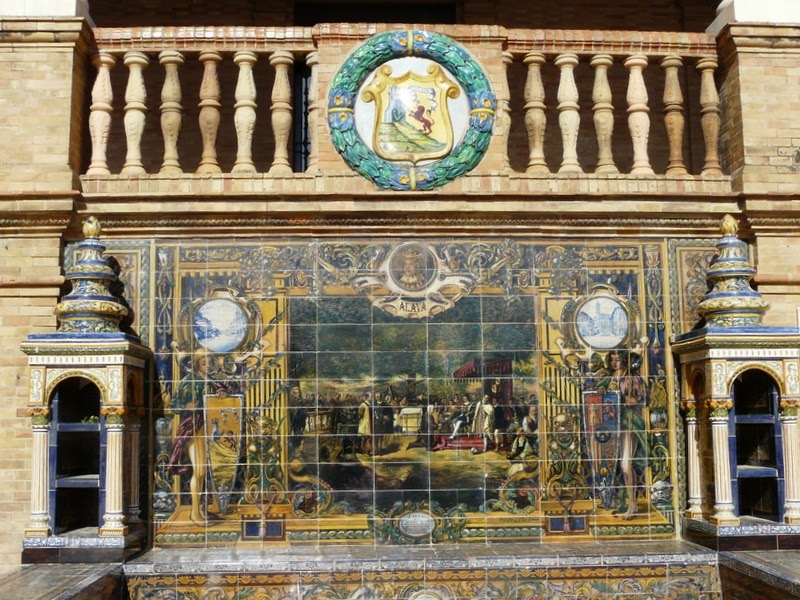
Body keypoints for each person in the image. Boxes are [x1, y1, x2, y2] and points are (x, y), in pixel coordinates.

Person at [168, 351, 220, 525]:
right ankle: (195, 512)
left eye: (211, 362)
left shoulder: (212, 382)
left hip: (210, 429)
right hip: (194, 428)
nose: (208, 366)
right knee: (199, 471)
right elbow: (173, 405)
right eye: (204, 363)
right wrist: (186, 407)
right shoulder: (189, 381)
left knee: (207, 472)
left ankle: (204, 509)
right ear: (197, 363)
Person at [597, 351, 647, 519]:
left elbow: (641, 400)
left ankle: (632, 505)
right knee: (613, 465)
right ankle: (621, 501)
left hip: (629, 423)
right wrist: (601, 392)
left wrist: (624, 400)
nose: (615, 362)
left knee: (626, 465)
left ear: (624, 361)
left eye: (618, 359)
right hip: (611, 425)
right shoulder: (608, 379)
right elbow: (596, 395)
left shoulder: (632, 378)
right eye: (612, 360)